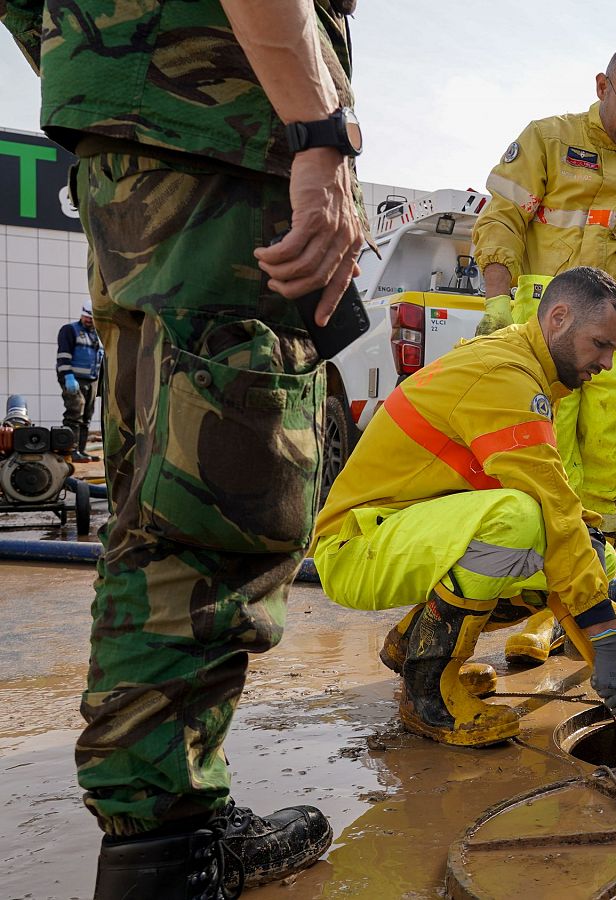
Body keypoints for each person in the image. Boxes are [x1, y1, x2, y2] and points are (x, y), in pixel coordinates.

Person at [6, 0, 366, 894]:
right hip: (224, 142)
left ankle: (163, 829)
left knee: (155, 498)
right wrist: (318, 136)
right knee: (219, 501)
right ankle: (165, 856)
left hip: (138, 143)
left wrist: (115, 86)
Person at [313, 267, 616, 747]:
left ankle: (415, 645)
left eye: (614, 348)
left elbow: (560, 514)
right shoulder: (505, 376)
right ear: (558, 318)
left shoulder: (522, 364)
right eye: (601, 344)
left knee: (595, 555)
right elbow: (550, 505)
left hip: (404, 531)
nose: (608, 363)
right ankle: (429, 694)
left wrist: (587, 570)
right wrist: (607, 638)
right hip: (356, 546)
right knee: (519, 520)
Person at [470, 43, 616, 668]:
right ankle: (533, 596)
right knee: (542, 458)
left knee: (607, 468)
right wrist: (496, 302)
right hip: (547, 325)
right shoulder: (547, 140)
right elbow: (501, 220)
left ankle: (574, 602)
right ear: (601, 84)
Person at [56, 302, 104, 462]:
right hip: (73, 380)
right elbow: (63, 356)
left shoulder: (96, 335)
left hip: (92, 381)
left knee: (87, 417)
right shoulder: (70, 330)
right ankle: (70, 451)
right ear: (82, 314)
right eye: (86, 316)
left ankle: (81, 451)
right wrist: (67, 376)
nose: (89, 320)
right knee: (75, 413)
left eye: (91, 318)